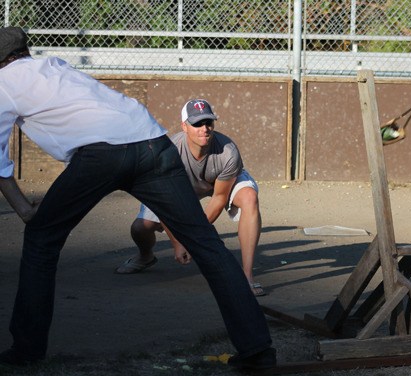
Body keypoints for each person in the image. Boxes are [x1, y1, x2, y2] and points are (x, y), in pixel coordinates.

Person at [0, 27, 275, 369]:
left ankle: (26, 351)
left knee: (42, 239)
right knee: (207, 244)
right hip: (152, 141)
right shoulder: (54, 64)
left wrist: (25, 208)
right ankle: (258, 351)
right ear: (24, 51)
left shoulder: (2, 85)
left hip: (101, 154)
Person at [115, 98, 266, 297]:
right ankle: (145, 256)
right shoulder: (169, 152)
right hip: (179, 187)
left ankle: (246, 277)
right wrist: (178, 242)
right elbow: (163, 204)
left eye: (208, 122)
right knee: (140, 228)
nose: (204, 128)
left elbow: (219, 198)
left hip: (216, 183)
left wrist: (193, 238)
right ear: (184, 127)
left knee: (249, 197)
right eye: (197, 124)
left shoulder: (228, 151)